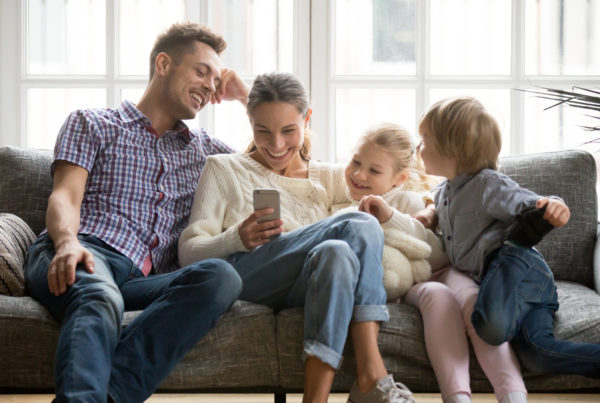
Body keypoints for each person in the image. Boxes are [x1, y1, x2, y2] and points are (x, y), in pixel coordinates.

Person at [24, 22, 249, 403]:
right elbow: (66, 196)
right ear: (164, 64)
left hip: (145, 281)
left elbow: (285, 161)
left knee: (221, 277)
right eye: (201, 71)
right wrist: (66, 243)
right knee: (99, 296)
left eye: (216, 79)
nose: (211, 86)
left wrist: (246, 97)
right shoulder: (93, 123)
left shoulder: (208, 153)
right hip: (85, 253)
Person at [179, 72, 415, 403]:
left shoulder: (334, 177)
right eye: (263, 131)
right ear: (250, 122)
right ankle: (372, 375)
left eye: (288, 131)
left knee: (336, 251)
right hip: (250, 276)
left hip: (308, 284)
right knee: (357, 223)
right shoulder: (223, 169)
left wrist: (429, 213)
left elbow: (387, 207)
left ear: (307, 119)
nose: (276, 145)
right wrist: (236, 237)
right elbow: (188, 253)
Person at [338, 123, 528, 403]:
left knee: (475, 301)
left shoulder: (409, 200)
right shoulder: (342, 208)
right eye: (355, 162)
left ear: (399, 178)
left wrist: (391, 217)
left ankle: (513, 394)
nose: (359, 174)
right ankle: (456, 396)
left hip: (445, 270)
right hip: (413, 284)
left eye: (374, 170)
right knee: (438, 296)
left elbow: (436, 252)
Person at [417, 96, 600, 381]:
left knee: (488, 328)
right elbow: (439, 206)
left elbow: (528, 202)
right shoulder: (444, 192)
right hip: (516, 292)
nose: (419, 147)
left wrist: (552, 203)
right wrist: (430, 215)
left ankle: (516, 243)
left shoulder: (488, 184)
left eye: (425, 140)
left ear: (451, 151)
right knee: (537, 354)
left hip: (521, 275)